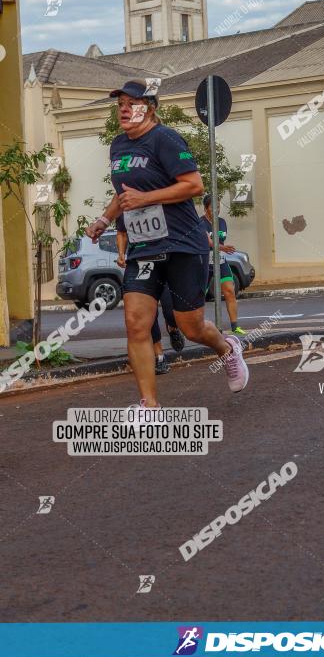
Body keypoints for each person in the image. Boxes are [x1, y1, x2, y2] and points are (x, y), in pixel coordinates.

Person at [85, 78, 249, 415]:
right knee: (136, 323)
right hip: (144, 248)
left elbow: (193, 184)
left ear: (151, 107)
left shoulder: (165, 139)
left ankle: (228, 348)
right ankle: (150, 405)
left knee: (191, 326)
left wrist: (146, 198)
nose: (125, 109)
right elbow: (124, 193)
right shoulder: (118, 146)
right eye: (120, 105)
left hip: (182, 244)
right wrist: (103, 220)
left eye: (132, 103)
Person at [116, 225, 185, 375]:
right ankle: (159, 357)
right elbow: (121, 232)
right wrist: (121, 253)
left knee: (170, 310)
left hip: (165, 262)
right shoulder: (126, 203)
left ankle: (172, 327)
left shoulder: (162, 203)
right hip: (142, 263)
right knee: (147, 315)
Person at [200, 195, 248, 337]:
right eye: (213, 207)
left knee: (229, 291)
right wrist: (223, 247)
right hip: (205, 262)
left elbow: (220, 240)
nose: (216, 209)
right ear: (206, 208)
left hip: (220, 260)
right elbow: (208, 241)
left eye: (219, 206)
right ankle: (197, 326)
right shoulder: (200, 223)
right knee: (199, 296)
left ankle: (235, 327)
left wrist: (222, 249)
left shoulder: (222, 222)